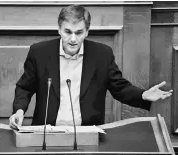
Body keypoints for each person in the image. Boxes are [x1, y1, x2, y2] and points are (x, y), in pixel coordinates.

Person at [9, 5, 173, 129]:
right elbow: (25, 87)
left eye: (79, 32)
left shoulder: (102, 54)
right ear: (59, 29)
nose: (73, 38)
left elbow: (119, 88)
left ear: (87, 31)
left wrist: (143, 95)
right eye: (68, 32)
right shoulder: (40, 52)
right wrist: (19, 111)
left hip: (88, 133)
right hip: (47, 132)